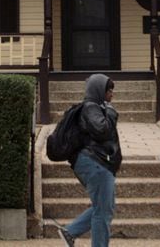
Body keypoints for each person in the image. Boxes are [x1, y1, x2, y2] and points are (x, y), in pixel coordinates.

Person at [56, 73, 122, 247]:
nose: (111, 94)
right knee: (103, 212)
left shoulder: (94, 107)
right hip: (95, 164)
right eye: (109, 90)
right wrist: (111, 112)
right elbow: (102, 130)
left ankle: (70, 232)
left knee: (104, 207)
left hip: (97, 163)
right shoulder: (91, 107)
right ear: (99, 90)